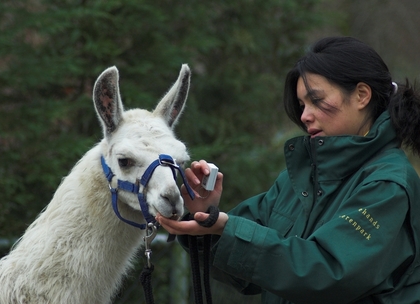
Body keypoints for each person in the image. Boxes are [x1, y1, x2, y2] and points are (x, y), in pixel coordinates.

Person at [156, 36, 420, 303]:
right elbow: (244, 273)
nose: (305, 115)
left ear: (362, 95)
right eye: (303, 105)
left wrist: (226, 227)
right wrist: (206, 216)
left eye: (317, 100)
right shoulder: (300, 179)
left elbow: (326, 273)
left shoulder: (388, 184)